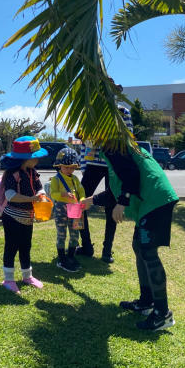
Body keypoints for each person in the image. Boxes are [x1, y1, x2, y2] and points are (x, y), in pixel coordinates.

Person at [84, 143, 179, 331]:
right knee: (139, 246)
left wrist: (123, 203)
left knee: (148, 251)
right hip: (151, 201)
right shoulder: (116, 147)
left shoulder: (113, 147)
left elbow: (131, 176)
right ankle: (146, 301)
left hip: (155, 199)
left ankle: (162, 313)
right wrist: (91, 201)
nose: (85, 141)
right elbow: (116, 188)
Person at [77, 103, 133, 263]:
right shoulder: (89, 110)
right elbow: (84, 142)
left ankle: (107, 250)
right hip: (94, 163)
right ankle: (86, 245)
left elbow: (128, 137)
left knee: (111, 205)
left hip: (112, 163)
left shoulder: (122, 111)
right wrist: (83, 165)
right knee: (78, 203)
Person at [0, 136, 48, 294]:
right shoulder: (13, 173)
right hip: (12, 216)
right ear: (26, 159)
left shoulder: (33, 172)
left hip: (27, 217)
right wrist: (31, 199)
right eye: (35, 158)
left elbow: (39, 187)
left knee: (26, 246)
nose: (37, 161)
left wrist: (42, 195)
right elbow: (10, 195)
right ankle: (8, 279)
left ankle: (28, 276)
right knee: (11, 246)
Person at [50, 147, 91, 273]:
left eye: (72, 167)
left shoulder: (75, 179)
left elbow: (81, 191)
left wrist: (83, 199)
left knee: (75, 233)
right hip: (61, 209)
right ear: (59, 166)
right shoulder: (56, 179)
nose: (69, 170)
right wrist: (63, 195)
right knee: (61, 233)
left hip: (75, 209)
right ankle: (62, 258)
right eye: (66, 167)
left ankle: (71, 256)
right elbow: (53, 194)